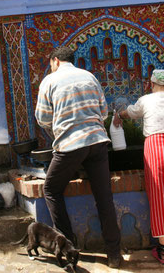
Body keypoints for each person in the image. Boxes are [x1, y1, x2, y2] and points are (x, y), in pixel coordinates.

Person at [35, 46, 122, 268]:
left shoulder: (50, 81)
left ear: (55, 61)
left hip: (70, 145)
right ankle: (114, 254)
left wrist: (58, 129)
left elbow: (42, 117)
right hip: (98, 142)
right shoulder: (89, 76)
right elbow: (103, 113)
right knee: (104, 198)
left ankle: (69, 248)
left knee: (51, 189)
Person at [113, 54, 164, 265]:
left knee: (159, 196)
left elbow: (129, 113)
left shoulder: (145, 100)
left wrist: (118, 116)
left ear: (151, 84)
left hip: (156, 149)